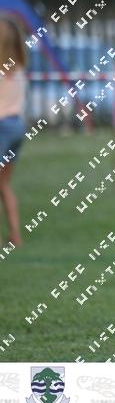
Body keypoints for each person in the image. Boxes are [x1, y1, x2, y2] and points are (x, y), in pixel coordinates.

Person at [0, 15, 27, 247]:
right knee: (4, 185)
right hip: (17, 126)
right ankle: (15, 235)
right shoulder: (19, 69)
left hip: (2, 127)